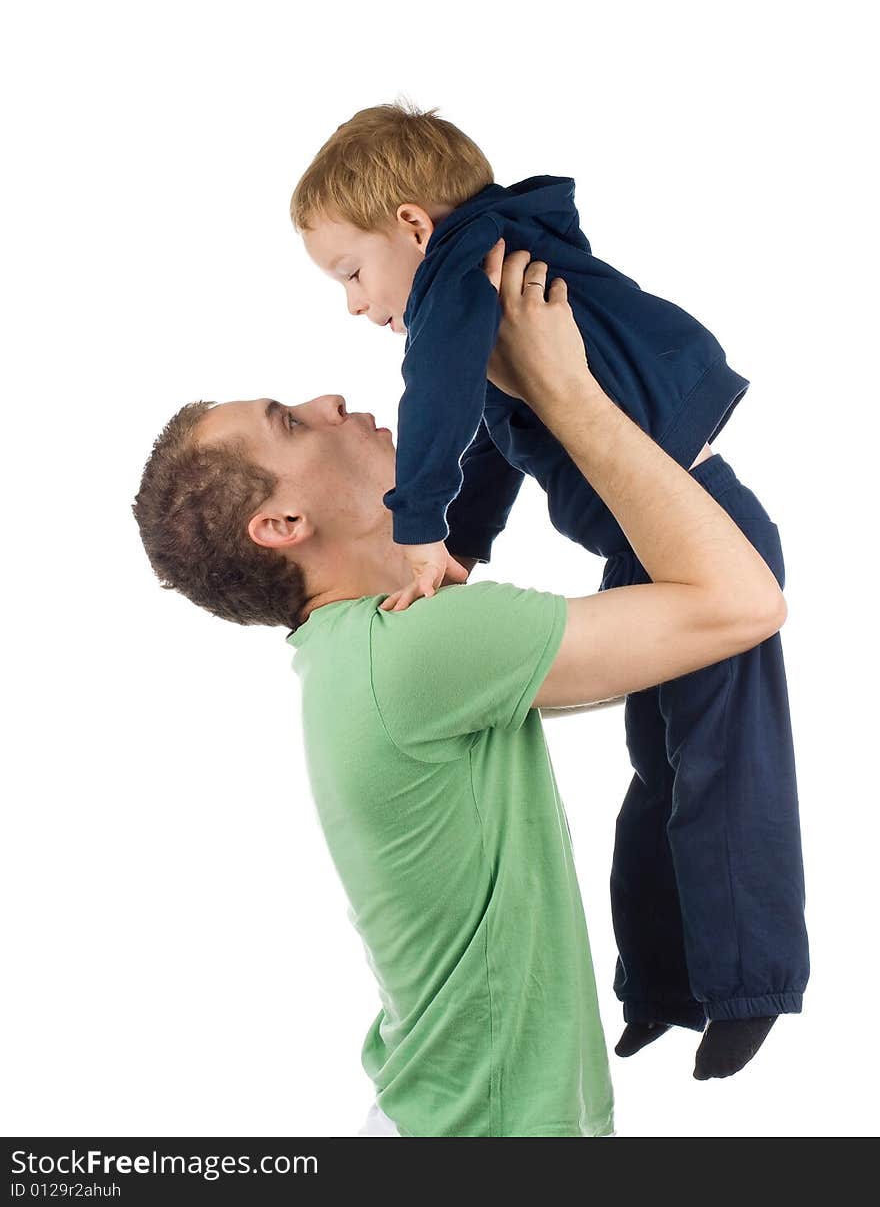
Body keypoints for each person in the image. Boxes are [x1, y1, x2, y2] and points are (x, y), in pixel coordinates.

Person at [133, 248, 788, 1134]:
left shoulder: (365, 653)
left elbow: (668, 641)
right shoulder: (418, 651)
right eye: (289, 421)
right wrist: (566, 391)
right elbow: (744, 604)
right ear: (282, 524)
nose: (328, 400)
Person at [291, 103, 809, 1076]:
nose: (356, 305)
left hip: (709, 529)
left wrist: (415, 522)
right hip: (647, 549)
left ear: (412, 226)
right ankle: (662, 985)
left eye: (350, 272)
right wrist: (461, 545)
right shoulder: (482, 285)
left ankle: (750, 984)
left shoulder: (463, 274)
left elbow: (436, 399)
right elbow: (487, 427)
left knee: (724, 765)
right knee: (660, 766)